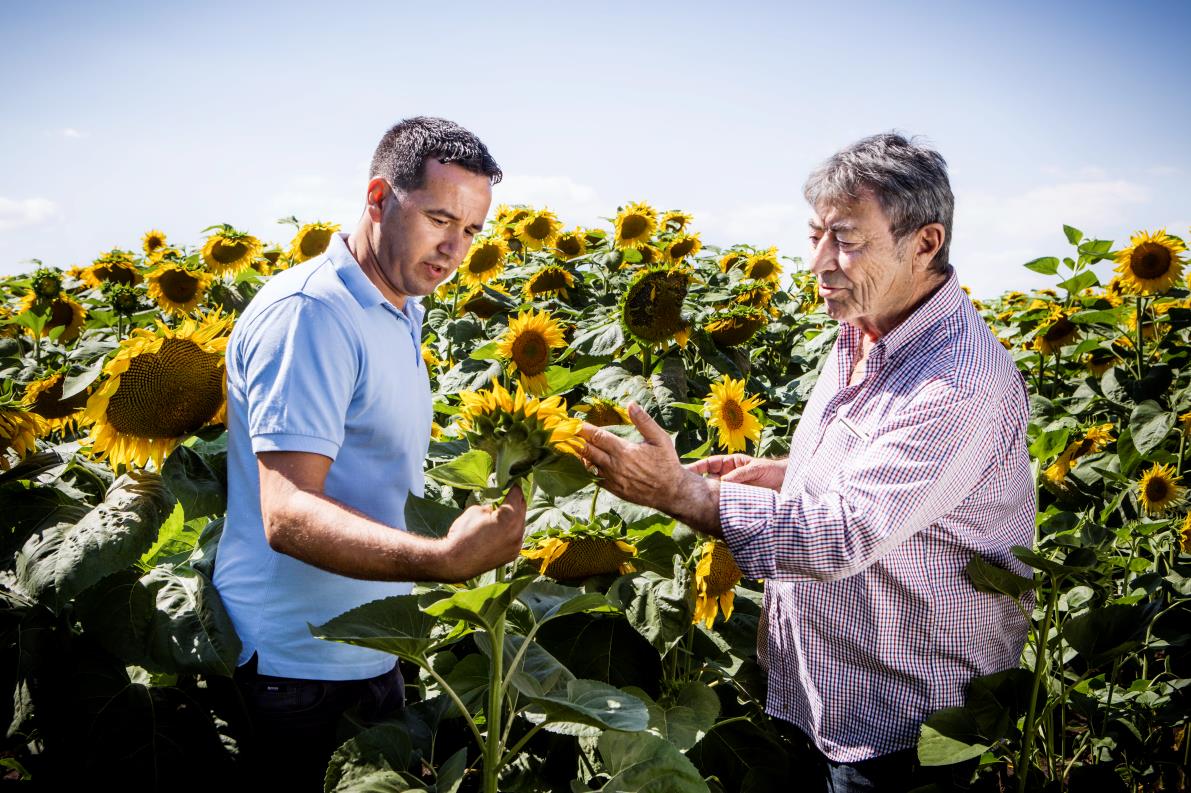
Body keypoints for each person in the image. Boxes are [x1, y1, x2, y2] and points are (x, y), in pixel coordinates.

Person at [580, 133, 1034, 791]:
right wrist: (791, 474)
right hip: (821, 693)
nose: (819, 261)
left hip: (901, 728)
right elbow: (883, 474)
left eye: (845, 240)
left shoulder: (956, 382)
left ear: (925, 243)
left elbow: (844, 534)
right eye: (815, 235)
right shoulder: (862, 326)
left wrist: (677, 491)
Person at [212, 117, 527, 790]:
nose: (454, 248)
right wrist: (442, 560)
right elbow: (287, 511)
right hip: (297, 669)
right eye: (440, 217)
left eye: (472, 230)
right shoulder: (312, 313)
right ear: (378, 198)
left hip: (370, 648)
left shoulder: (398, 306)